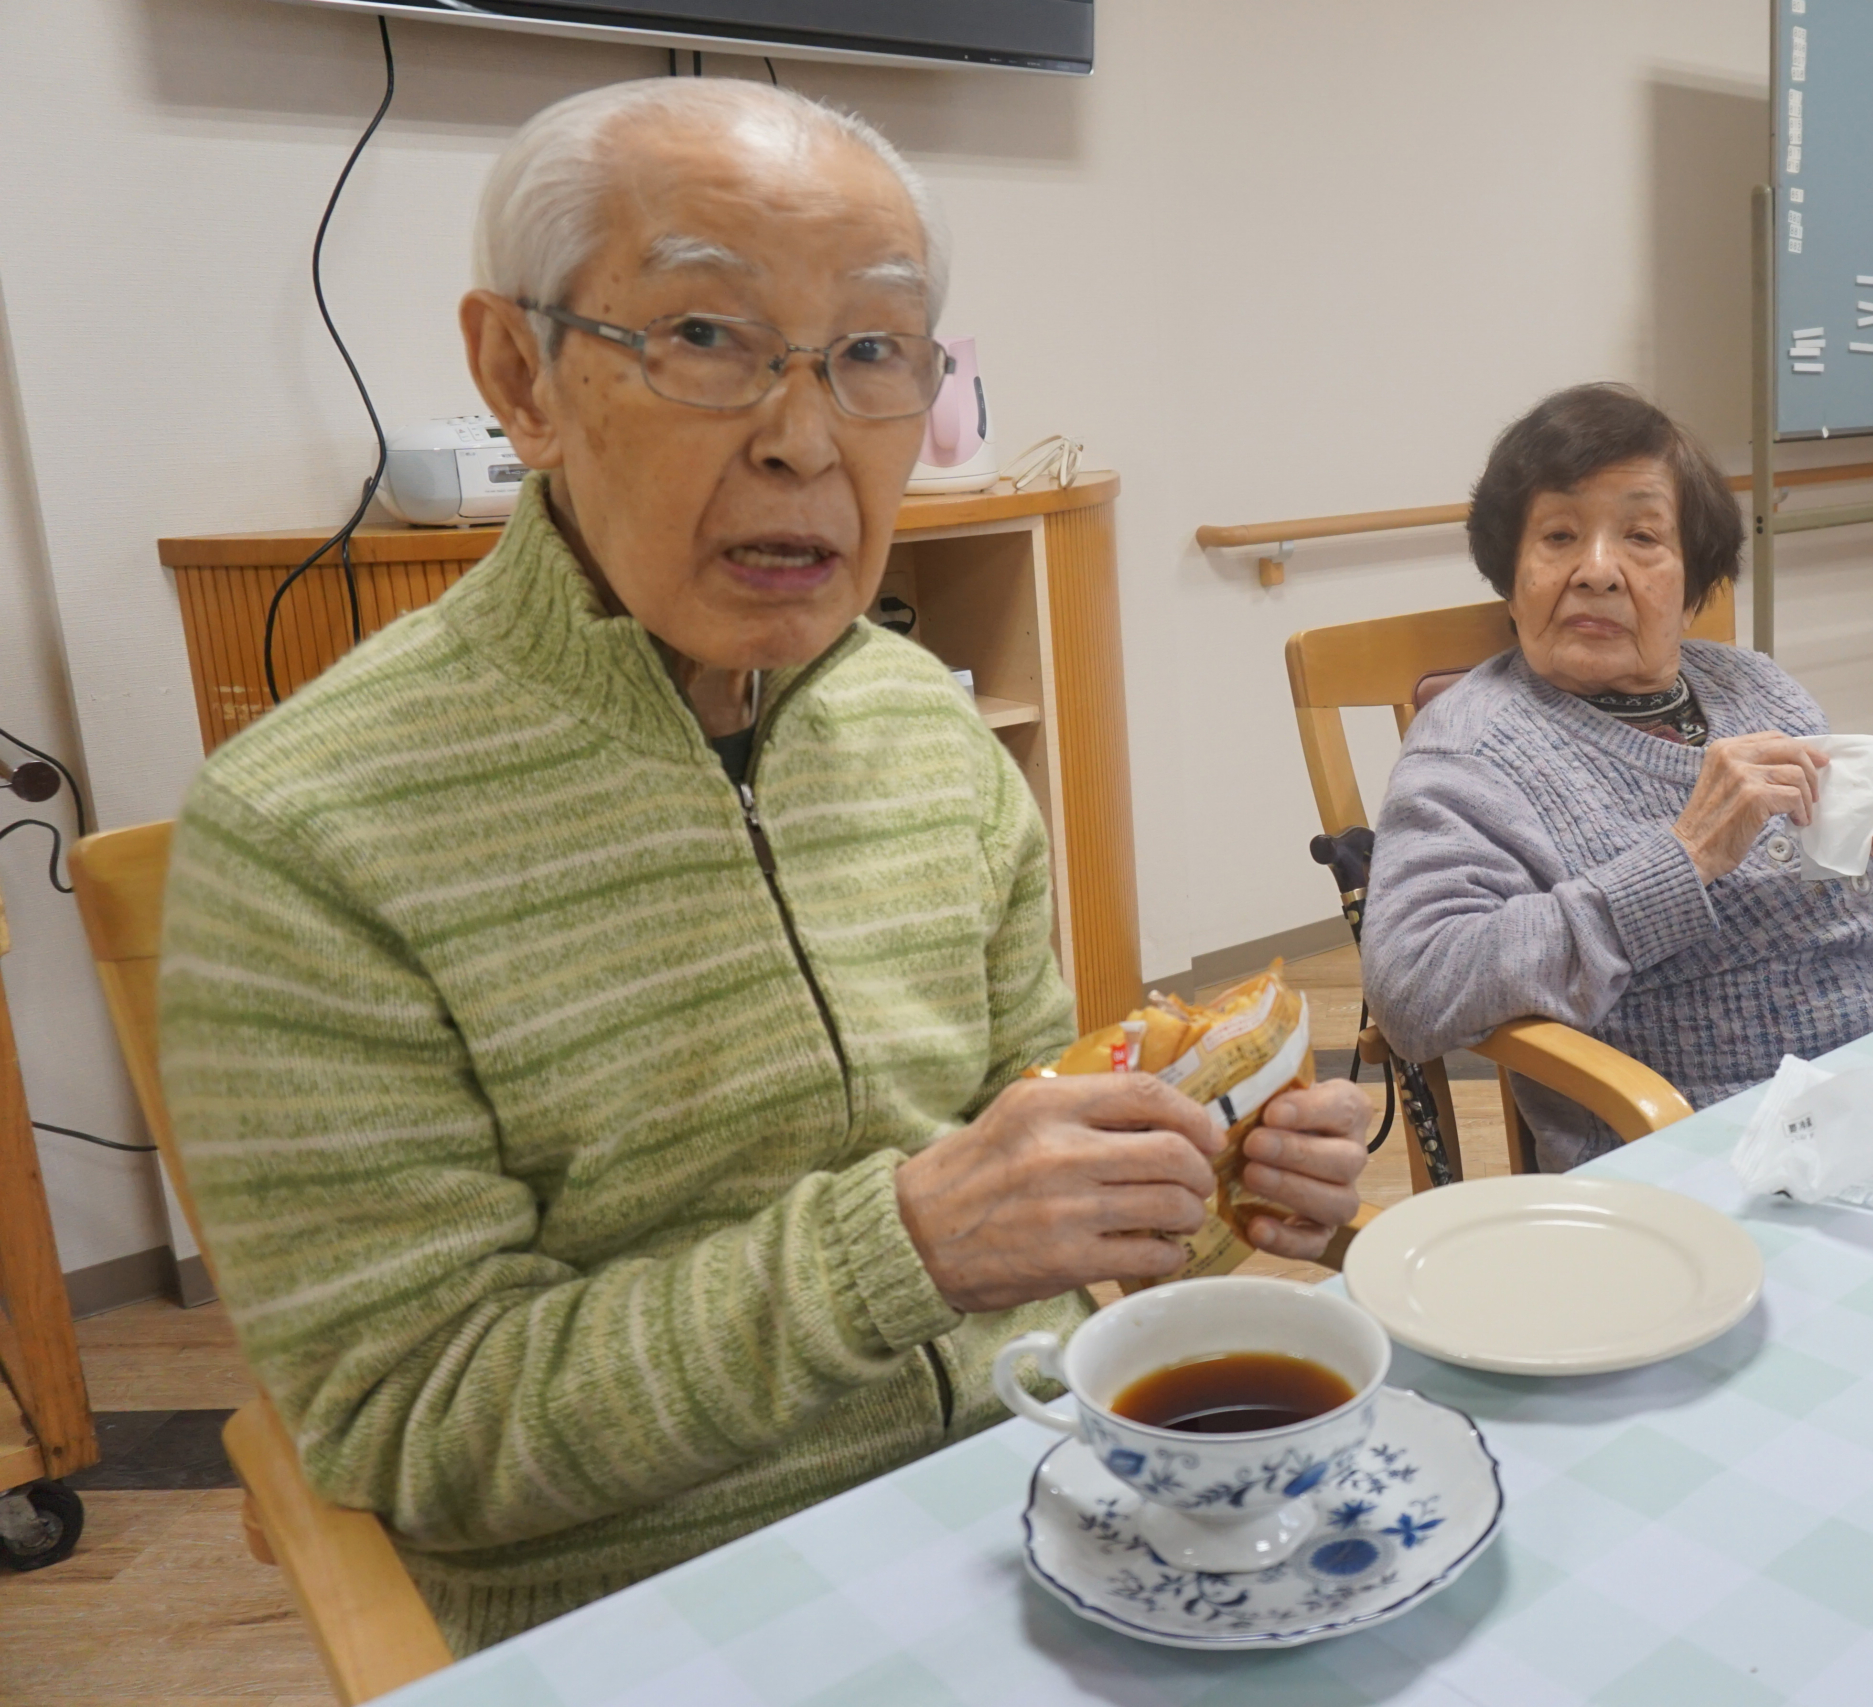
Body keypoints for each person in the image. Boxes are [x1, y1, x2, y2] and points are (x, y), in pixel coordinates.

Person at [156, 78, 1370, 1653]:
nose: (805, 442)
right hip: (658, 1612)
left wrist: (1219, 1186)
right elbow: (420, 1429)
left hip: (1048, 1500)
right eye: (706, 337)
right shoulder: (307, 838)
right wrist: (908, 1245)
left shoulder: (934, 742)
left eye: (872, 354)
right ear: (518, 376)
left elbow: (1036, 1161)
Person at [1362, 383, 1873, 1173]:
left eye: (1642, 536)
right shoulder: (1473, 750)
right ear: (1508, 572)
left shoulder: (1756, 686)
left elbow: (1847, 875)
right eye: (1559, 535)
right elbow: (1415, 988)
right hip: (1719, 1142)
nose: (1597, 570)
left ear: (1692, 581)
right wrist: (1684, 857)